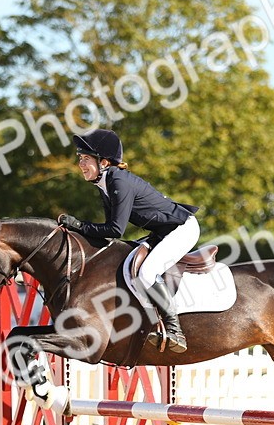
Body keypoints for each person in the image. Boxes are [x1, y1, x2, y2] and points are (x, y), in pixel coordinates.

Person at [57, 129, 199, 353]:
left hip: (182, 229)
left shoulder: (118, 181)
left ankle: (174, 330)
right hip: (162, 231)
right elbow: (107, 230)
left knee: (147, 272)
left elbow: (114, 229)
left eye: (85, 159)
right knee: (131, 264)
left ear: (103, 161)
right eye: (80, 159)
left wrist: (78, 225)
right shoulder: (105, 182)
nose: (81, 164)